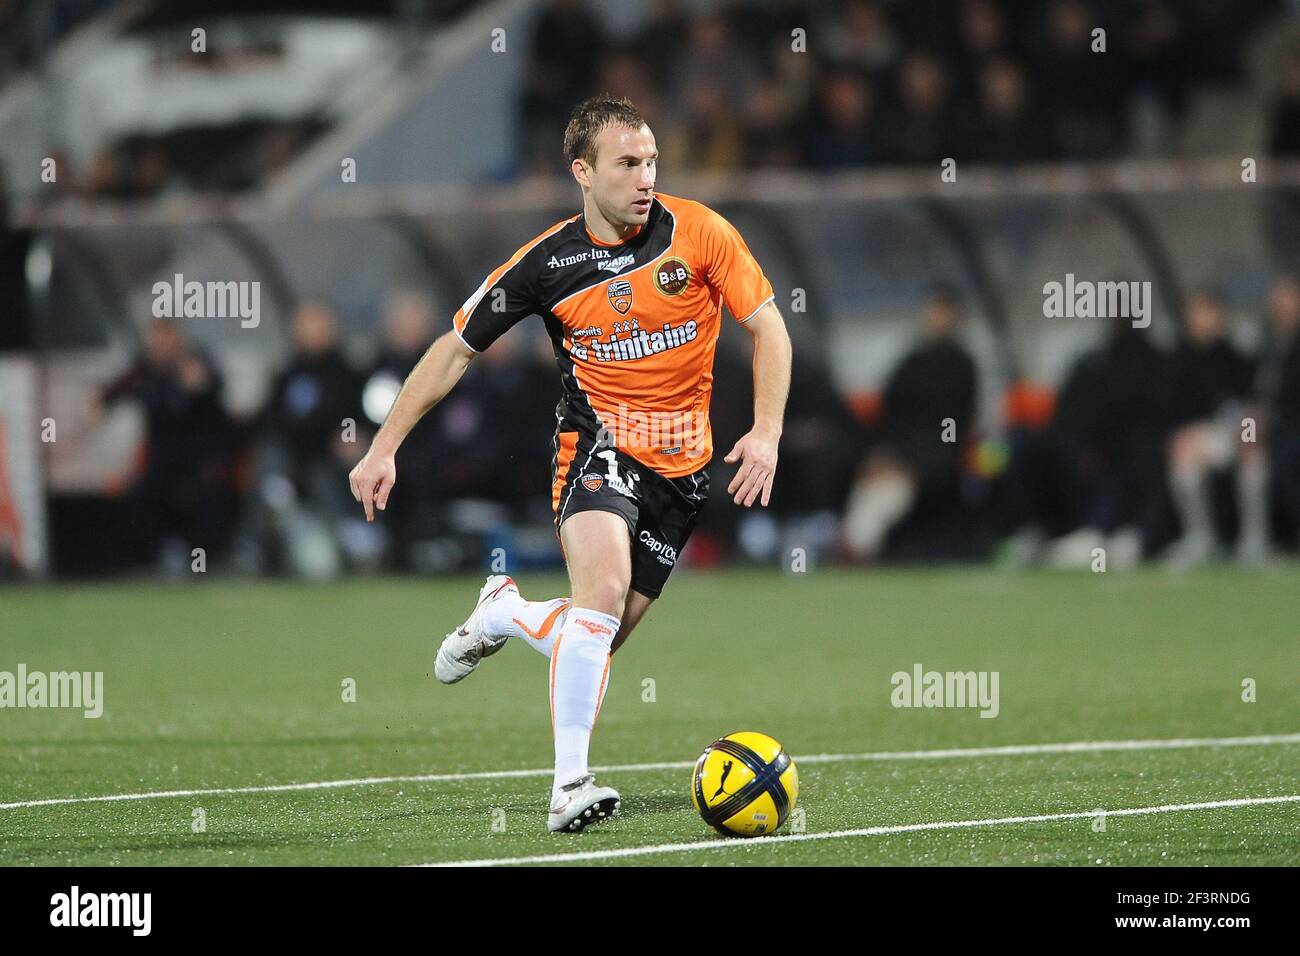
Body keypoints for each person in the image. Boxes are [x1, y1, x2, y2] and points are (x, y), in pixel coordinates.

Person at [347, 95, 792, 833]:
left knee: (598, 631)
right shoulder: (547, 263)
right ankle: (569, 788)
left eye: (651, 161)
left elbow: (768, 327)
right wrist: (384, 445)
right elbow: (456, 349)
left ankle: (508, 612)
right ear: (582, 171)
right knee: (605, 589)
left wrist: (767, 430)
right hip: (597, 448)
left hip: (684, 471)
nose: (645, 176)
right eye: (626, 164)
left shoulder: (702, 233)